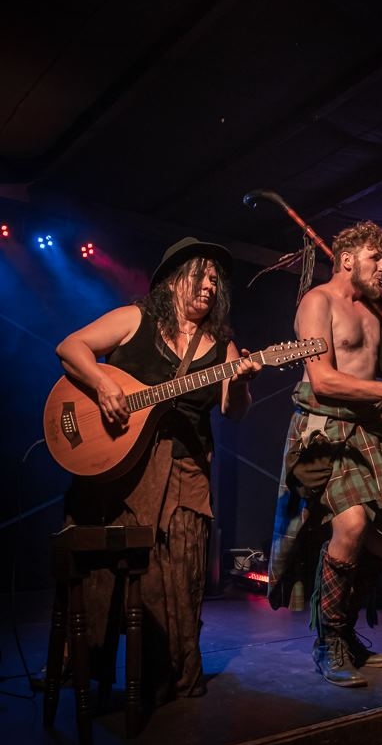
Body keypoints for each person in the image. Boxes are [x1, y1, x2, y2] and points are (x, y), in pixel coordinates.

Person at [55, 236, 261, 705]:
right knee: (104, 573)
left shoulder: (223, 347)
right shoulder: (134, 319)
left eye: (216, 280)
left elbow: (233, 411)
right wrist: (103, 384)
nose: (210, 285)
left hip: (185, 470)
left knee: (179, 569)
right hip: (118, 469)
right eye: (201, 275)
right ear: (172, 280)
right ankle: (86, 663)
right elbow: (70, 347)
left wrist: (241, 382)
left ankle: (166, 673)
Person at [267, 221, 382, 688]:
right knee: (353, 523)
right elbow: (322, 380)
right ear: (346, 258)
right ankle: (328, 642)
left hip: (371, 428)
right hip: (328, 427)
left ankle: (345, 632)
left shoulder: (375, 310)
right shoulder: (317, 301)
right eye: (376, 258)